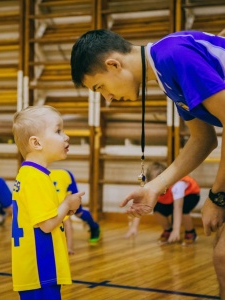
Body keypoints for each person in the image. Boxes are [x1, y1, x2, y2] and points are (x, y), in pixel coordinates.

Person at [71, 29, 225, 298]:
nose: (107, 98)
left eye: (100, 87)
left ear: (113, 64)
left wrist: (217, 196)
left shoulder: (173, 55)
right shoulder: (165, 70)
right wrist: (154, 187)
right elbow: (203, 139)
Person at [11, 105, 84, 300]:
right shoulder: (35, 177)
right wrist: (67, 204)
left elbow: (45, 217)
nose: (66, 136)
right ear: (36, 143)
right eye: (58, 131)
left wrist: (66, 210)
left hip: (38, 268)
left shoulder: (33, 174)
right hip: (40, 267)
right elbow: (47, 225)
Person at [124, 162, 200, 246]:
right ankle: (168, 230)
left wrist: (176, 229)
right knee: (157, 209)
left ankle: (190, 233)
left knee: (184, 210)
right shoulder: (149, 187)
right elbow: (141, 206)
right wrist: (134, 227)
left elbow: (178, 207)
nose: (159, 186)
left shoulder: (177, 185)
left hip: (191, 194)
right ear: (149, 181)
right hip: (172, 198)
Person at [49, 168, 100, 254]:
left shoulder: (60, 205)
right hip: (54, 179)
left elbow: (68, 226)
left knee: (78, 213)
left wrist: (69, 248)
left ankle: (95, 227)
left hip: (66, 176)